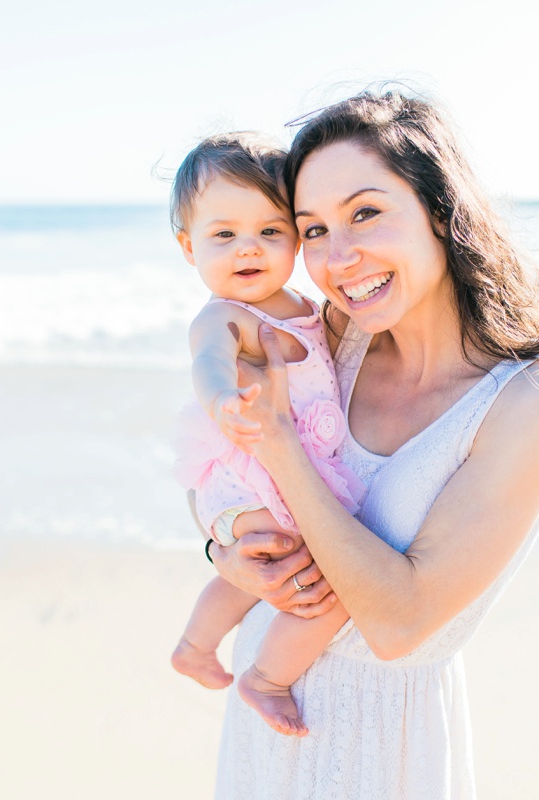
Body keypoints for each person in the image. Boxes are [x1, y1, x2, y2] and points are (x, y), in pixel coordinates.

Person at [204, 90, 539, 799]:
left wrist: (282, 444)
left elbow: (399, 621)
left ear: (440, 213)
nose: (339, 256)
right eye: (312, 229)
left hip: (383, 745)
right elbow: (217, 451)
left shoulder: (534, 401)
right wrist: (224, 544)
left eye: (365, 212)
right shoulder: (330, 341)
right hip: (263, 724)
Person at [167, 132, 366, 736]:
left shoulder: (306, 308)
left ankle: (195, 647)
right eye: (224, 235)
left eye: (270, 231)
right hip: (247, 476)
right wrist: (223, 399)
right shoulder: (224, 316)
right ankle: (264, 677)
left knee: (269, 571)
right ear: (188, 246)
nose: (247, 249)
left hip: (294, 474)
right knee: (309, 578)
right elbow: (207, 362)